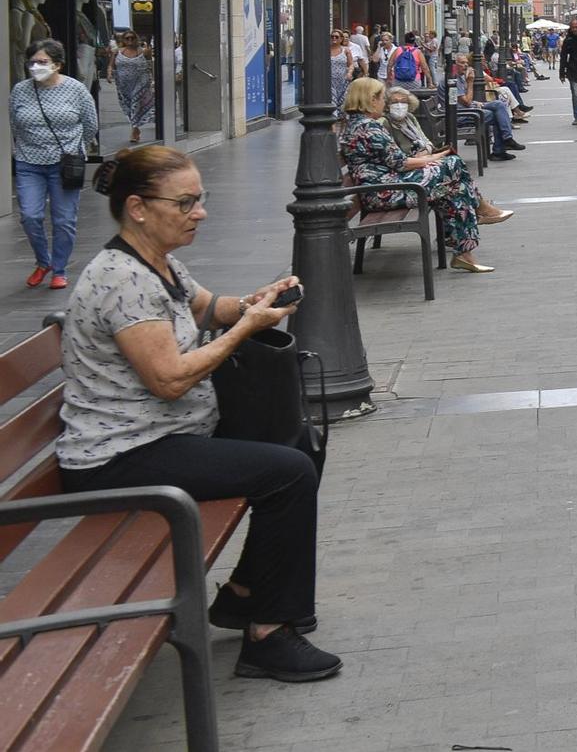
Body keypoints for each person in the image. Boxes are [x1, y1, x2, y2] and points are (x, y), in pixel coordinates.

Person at [57, 145, 341, 681]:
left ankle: (244, 595)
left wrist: (255, 302)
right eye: (185, 202)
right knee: (287, 472)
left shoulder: (157, 261)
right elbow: (168, 380)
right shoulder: (122, 279)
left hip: (165, 433)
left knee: (298, 442)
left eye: (201, 200)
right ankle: (266, 634)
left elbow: (207, 307)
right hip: (121, 454)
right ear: (138, 207)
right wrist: (244, 331)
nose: (200, 212)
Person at [340, 77, 511, 272]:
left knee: (456, 189)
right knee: (453, 167)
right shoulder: (368, 127)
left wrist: (434, 158)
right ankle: (478, 216)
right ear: (370, 100)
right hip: (385, 193)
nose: (383, 103)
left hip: (385, 187)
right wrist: (433, 159)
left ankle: (466, 252)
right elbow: (400, 163)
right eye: (381, 99)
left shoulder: (354, 124)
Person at [13, 40, 97, 289]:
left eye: (42, 62)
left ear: (57, 65)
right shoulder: (20, 90)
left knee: (63, 220)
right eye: (32, 62)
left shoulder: (76, 90)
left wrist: (75, 150)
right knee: (30, 215)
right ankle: (43, 261)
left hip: (65, 164)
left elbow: (89, 124)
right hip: (29, 162)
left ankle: (59, 270)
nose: (36, 67)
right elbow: (14, 123)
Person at [451, 58, 522, 160]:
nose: (466, 65)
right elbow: (466, 102)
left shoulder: (460, 78)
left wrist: (476, 103)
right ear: (455, 65)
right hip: (461, 114)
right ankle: (500, 149)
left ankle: (507, 140)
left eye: (466, 63)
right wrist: (470, 82)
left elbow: (466, 102)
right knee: (497, 115)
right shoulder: (454, 81)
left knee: (499, 104)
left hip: (468, 108)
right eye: (462, 63)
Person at [111, 32, 156, 144]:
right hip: (124, 84)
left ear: (136, 38)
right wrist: (108, 73)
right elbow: (111, 65)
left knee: (135, 104)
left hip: (141, 82)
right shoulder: (117, 52)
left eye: (132, 38)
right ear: (124, 40)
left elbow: (151, 65)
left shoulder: (144, 51)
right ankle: (136, 128)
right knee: (129, 106)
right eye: (127, 38)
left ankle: (134, 130)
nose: (130, 40)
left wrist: (153, 79)